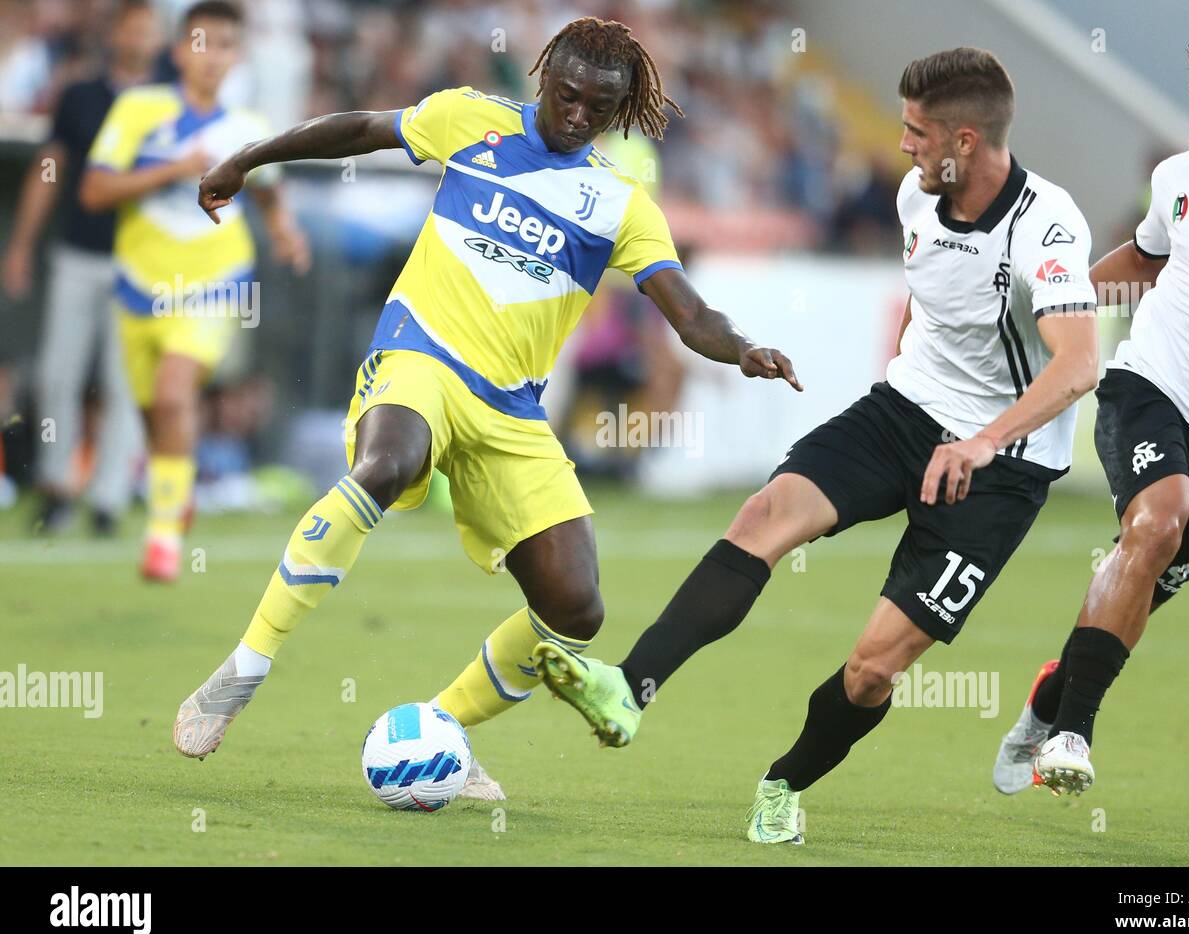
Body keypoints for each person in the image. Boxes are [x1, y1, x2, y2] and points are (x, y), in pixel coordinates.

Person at [171, 17, 800, 802]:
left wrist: (740, 347)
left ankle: (442, 730)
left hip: (509, 410)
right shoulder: (473, 120)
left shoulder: (620, 202)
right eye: (566, 96)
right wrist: (249, 159)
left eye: (597, 108)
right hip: (419, 356)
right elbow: (361, 129)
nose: (576, 115)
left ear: (619, 108)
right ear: (542, 80)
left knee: (575, 609)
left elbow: (690, 312)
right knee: (386, 464)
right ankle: (246, 668)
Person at [535, 47, 1100, 845]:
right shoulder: (916, 196)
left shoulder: (1046, 224)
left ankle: (785, 782)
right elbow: (927, 307)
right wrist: (899, 390)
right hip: (902, 415)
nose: (902, 146)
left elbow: (1079, 363)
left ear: (965, 141)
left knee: (874, 668)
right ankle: (629, 686)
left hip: (1001, 466)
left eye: (916, 130)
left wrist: (980, 441)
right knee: (767, 513)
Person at [993, 21, 1189, 796]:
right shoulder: (1175, 178)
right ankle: (1073, 736)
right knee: (1155, 525)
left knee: (1142, 586)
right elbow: (1145, 257)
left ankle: (1046, 704)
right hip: (1148, 385)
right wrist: (1051, 302)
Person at [80, 0, 309, 581]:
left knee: (175, 387)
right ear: (180, 50)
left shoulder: (249, 128)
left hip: (214, 282)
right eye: (203, 44)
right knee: (153, 408)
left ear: (238, 57)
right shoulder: (138, 109)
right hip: (137, 285)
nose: (213, 58)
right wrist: (170, 170)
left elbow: (269, 188)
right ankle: (174, 488)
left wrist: (284, 231)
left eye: (227, 46)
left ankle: (161, 537)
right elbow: (94, 191)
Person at [2, 0, 161, 536]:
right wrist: (22, 243)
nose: (140, 38)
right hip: (78, 251)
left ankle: (110, 498)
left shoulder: (169, 103)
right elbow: (50, 170)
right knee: (57, 374)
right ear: (114, 33)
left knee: (125, 382)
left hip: (141, 261)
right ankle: (56, 485)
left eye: (148, 30)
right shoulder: (79, 96)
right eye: (131, 28)